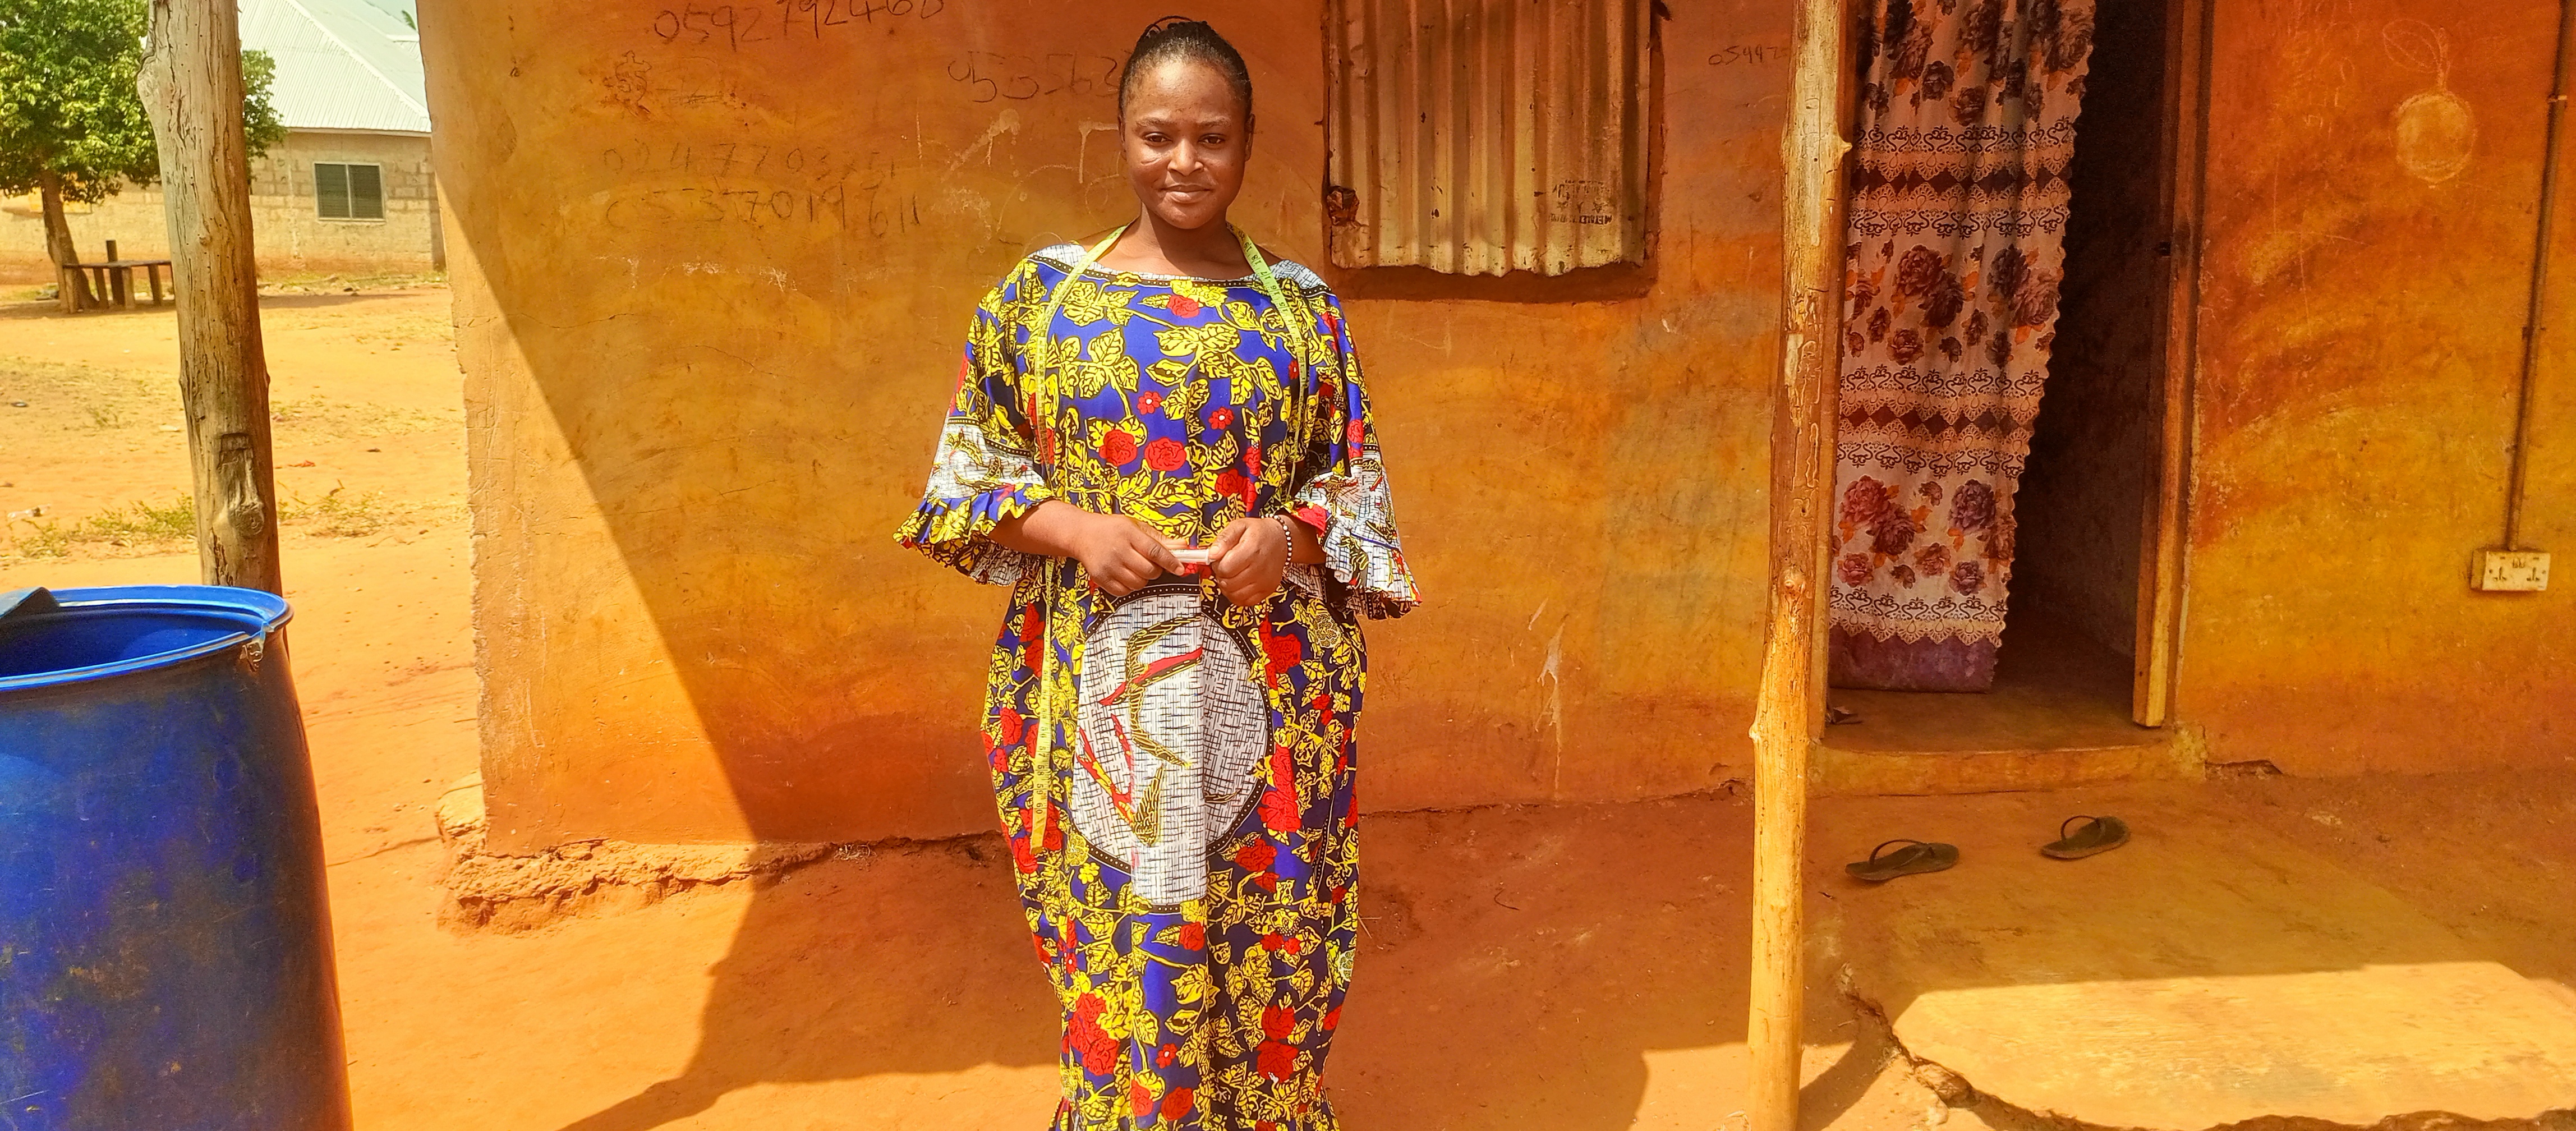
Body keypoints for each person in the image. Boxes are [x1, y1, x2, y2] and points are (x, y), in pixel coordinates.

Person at [896, 16, 1418, 1130]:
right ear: (1121, 137)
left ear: (1248, 144)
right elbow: (965, 475)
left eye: (1212, 138)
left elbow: (1354, 482)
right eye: (1158, 135)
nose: (1184, 162)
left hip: (1273, 691)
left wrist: (1289, 536)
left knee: (1272, 929)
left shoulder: (1301, 310)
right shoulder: (1042, 301)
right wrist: (1075, 530)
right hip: (1099, 690)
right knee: (1117, 932)